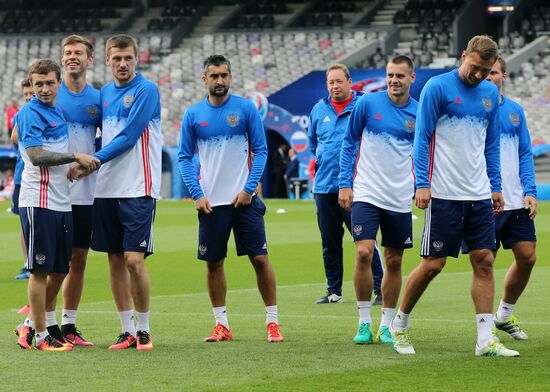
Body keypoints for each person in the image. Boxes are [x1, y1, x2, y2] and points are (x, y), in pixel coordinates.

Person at [389, 35, 520, 357]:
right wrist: (422, 183)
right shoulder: (437, 87)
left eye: (486, 70)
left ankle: (484, 339)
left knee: (484, 261)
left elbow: (490, 144)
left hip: (478, 193)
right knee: (433, 264)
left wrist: (496, 185)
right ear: (464, 56)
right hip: (444, 192)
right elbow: (422, 139)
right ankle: (399, 325)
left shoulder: (490, 92)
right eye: (475, 67)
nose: (479, 75)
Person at [178, 54, 284, 343]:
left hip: (244, 200)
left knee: (260, 259)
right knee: (213, 263)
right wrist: (197, 193)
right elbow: (185, 157)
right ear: (205, 79)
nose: (220, 80)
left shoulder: (245, 109)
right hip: (212, 204)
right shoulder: (193, 115)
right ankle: (221, 324)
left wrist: (249, 188)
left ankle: (272, 322)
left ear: (230, 77)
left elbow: (261, 150)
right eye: (214, 76)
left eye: (224, 75)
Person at [71, 34, 161, 351]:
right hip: (106, 188)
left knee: (134, 260)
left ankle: (145, 329)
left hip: (138, 186)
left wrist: (91, 162)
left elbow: (128, 136)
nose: (122, 64)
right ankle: (126, 331)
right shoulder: (104, 94)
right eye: (116, 58)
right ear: (107, 60)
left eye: (128, 58)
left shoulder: (146, 90)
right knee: (114, 260)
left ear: (137, 59)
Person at [15, 58, 99, 351]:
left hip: (62, 201)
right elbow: (37, 156)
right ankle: (40, 335)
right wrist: (75, 156)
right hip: (38, 200)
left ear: (58, 82)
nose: (45, 89)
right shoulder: (30, 113)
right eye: (39, 84)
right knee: (39, 271)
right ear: (32, 85)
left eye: (50, 83)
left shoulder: (57, 111)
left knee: (61, 269)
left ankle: (29, 325)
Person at [339, 56, 417, 345]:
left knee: (394, 261)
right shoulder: (367, 104)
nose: (394, 80)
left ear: (412, 78)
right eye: (390, 75)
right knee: (363, 253)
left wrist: (423, 187)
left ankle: (386, 324)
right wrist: (344, 184)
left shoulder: (419, 113)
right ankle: (363, 322)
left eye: (399, 75)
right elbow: (349, 143)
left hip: (398, 197)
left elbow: (423, 155)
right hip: (367, 192)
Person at [308, 63, 384, 305]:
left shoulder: (363, 106)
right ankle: (334, 291)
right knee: (329, 242)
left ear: (350, 81)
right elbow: (313, 144)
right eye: (331, 82)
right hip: (324, 187)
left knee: (365, 242)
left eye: (339, 81)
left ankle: (381, 289)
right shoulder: (318, 110)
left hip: (357, 187)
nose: (335, 86)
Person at [51, 34, 101, 346]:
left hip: (87, 192)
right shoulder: (51, 96)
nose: (73, 57)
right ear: (62, 58)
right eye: (68, 52)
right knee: (54, 262)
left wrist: (91, 164)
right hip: (53, 192)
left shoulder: (99, 100)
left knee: (78, 259)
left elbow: (110, 140)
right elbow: (20, 135)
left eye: (78, 52)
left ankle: (69, 325)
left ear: (89, 59)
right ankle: (42, 325)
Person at [484, 56, 537, 340]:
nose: (488, 77)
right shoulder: (475, 110)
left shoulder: (515, 111)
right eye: (485, 72)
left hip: (516, 199)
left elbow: (524, 153)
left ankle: (503, 316)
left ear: (503, 76)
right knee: (486, 262)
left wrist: (530, 190)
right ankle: (483, 331)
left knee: (528, 257)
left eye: (493, 73)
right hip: (485, 199)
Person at [10, 78, 34, 280]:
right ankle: (28, 263)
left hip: (41, 176)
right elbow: (14, 137)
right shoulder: (22, 115)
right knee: (25, 223)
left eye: (30, 93)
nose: (28, 97)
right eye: (25, 94)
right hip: (22, 176)